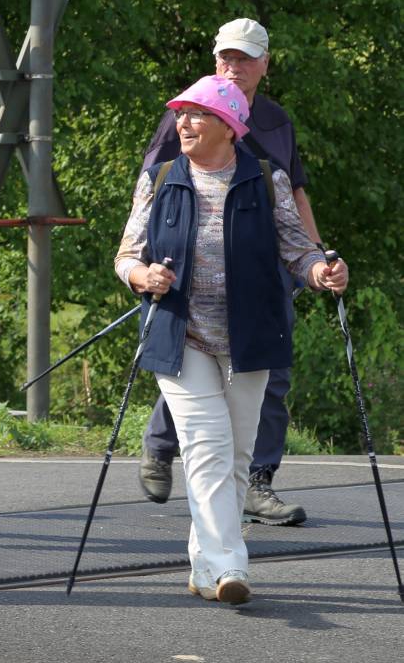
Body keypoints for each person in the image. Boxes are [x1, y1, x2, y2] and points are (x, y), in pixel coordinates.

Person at [115, 74, 345, 604]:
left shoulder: (267, 179)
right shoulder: (161, 176)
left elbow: (298, 250)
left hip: (251, 337)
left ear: (228, 126)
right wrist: (141, 276)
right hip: (181, 337)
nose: (183, 122)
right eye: (181, 113)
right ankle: (230, 567)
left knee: (237, 455)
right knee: (208, 448)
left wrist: (321, 272)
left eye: (196, 114)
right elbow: (126, 254)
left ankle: (203, 568)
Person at [137, 19, 318, 526]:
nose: (232, 67)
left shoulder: (278, 121)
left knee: (270, 370)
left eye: (243, 59)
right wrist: (144, 267)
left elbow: (295, 192)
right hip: (192, 269)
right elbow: (153, 186)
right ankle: (159, 447)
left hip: (265, 265)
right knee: (190, 359)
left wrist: (315, 257)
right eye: (225, 58)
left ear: (265, 63)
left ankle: (259, 481)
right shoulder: (191, 108)